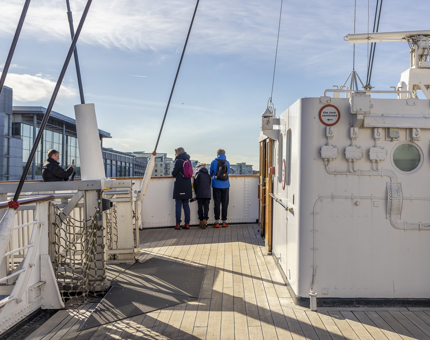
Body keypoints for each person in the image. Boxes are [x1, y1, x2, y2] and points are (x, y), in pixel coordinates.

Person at [172, 147, 192, 230]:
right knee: (186, 205)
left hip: (179, 185)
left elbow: (174, 173)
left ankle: (178, 224)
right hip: (187, 185)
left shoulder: (178, 161)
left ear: (177, 153)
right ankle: (187, 224)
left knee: (178, 205)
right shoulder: (188, 161)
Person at [209, 149, 230, 228]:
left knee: (217, 203)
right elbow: (228, 172)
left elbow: (211, 172)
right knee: (225, 203)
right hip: (226, 185)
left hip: (216, 185)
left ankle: (217, 222)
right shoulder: (227, 162)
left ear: (217, 154)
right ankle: (224, 221)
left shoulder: (214, 162)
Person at [194, 163, 211, 229]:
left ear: (198, 167)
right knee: (206, 207)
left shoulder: (197, 174)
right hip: (207, 193)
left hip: (200, 193)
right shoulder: (208, 175)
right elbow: (209, 183)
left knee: (200, 207)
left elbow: (195, 184)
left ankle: (201, 221)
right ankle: (205, 220)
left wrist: (196, 193)